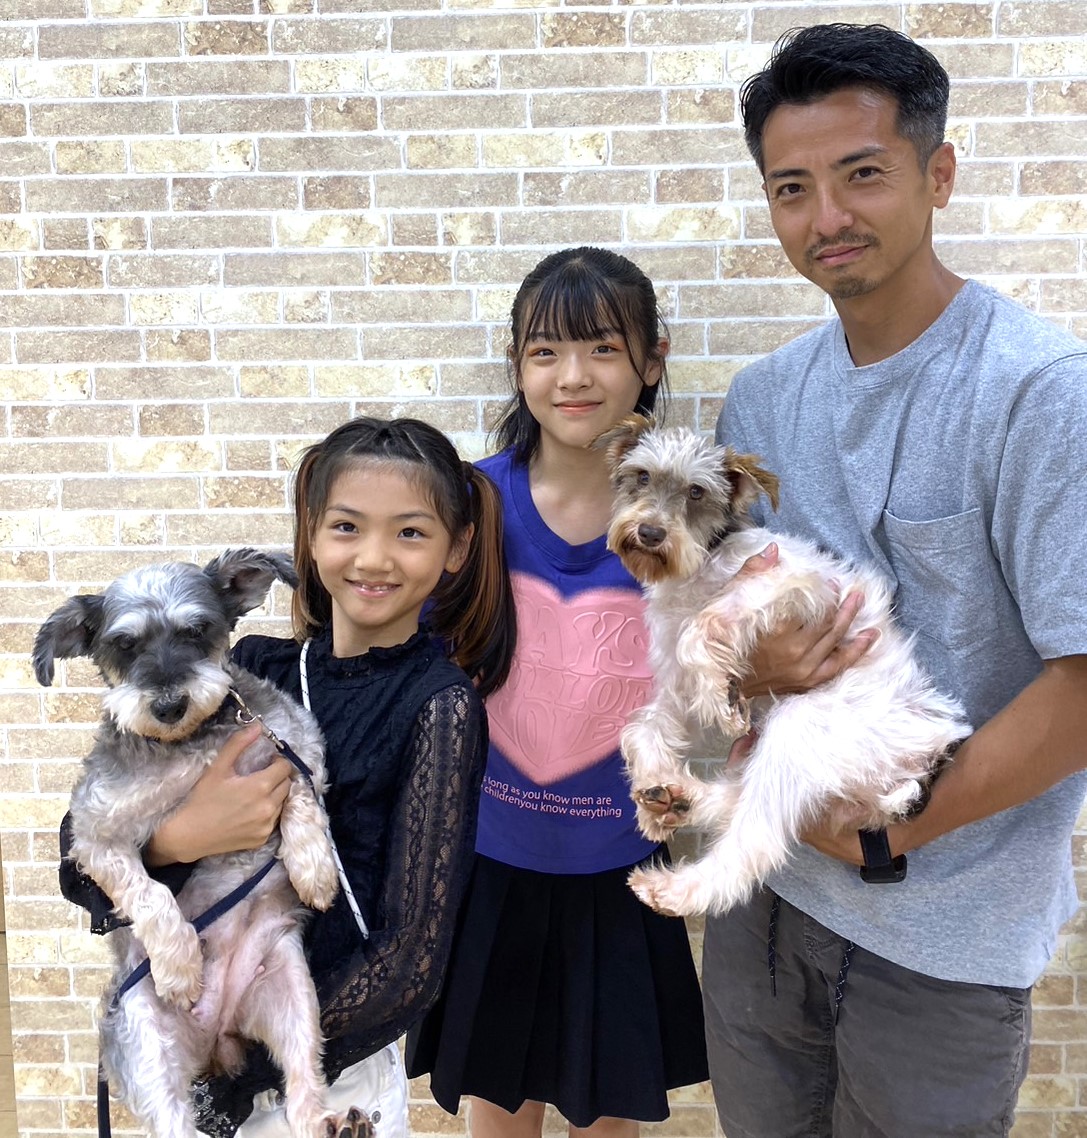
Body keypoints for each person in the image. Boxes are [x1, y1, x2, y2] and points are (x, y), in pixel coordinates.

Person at [702, 22, 1087, 1138]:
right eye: (791, 188)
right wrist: (748, 669)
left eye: (861, 174)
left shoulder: (1038, 391)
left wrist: (889, 830)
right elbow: (725, 630)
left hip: (945, 938)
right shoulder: (761, 400)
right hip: (766, 902)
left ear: (939, 173)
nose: (825, 216)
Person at [59, 416, 516, 1137]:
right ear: (310, 533)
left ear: (455, 547)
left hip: (329, 1066)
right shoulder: (255, 670)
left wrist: (238, 1077)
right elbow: (80, 862)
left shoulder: (439, 704)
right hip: (186, 1029)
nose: (373, 557)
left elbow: (410, 963)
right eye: (346, 526)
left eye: (409, 532)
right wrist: (176, 842)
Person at [406, 246, 709, 1137]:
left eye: (602, 348)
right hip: (487, 865)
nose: (572, 377)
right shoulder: (467, 505)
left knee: (607, 1111)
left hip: (622, 870)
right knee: (497, 1108)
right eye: (545, 351)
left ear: (651, 359)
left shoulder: (689, 518)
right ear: (516, 365)